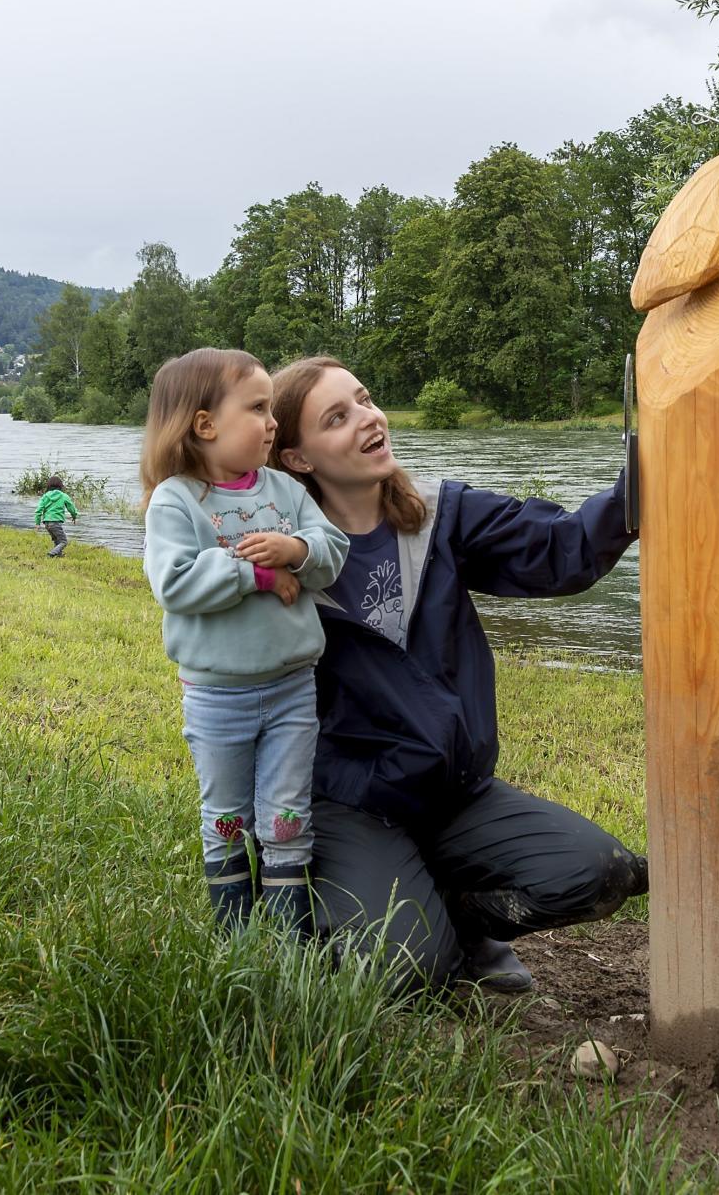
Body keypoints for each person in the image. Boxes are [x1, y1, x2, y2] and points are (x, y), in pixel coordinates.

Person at [269, 356, 647, 994]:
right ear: (298, 458)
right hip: (350, 804)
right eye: (337, 417)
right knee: (410, 968)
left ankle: (460, 918)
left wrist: (642, 469)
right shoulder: (283, 564)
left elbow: (564, 550)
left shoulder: (442, 516)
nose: (368, 418)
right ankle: (370, 911)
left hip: (453, 793)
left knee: (600, 873)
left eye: (365, 399)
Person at [141, 349, 350, 931]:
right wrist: (257, 573)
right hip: (216, 698)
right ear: (205, 424)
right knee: (226, 814)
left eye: (270, 408)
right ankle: (235, 932)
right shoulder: (176, 499)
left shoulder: (285, 490)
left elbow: (333, 551)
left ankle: (289, 935)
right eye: (257, 408)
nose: (272, 421)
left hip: (292, 688)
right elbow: (174, 583)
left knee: (288, 811)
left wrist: (296, 550)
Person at [33, 476, 78, 556]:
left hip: (47, 523)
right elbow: (71, 508)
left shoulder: (45, 496)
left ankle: (58, 555)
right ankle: (52, 553)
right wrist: (74, 516)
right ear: (60, 485)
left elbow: (38, 510)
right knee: (63, 541)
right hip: (56, 523)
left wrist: (37, 523)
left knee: (57, 540)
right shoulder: (63, 496)